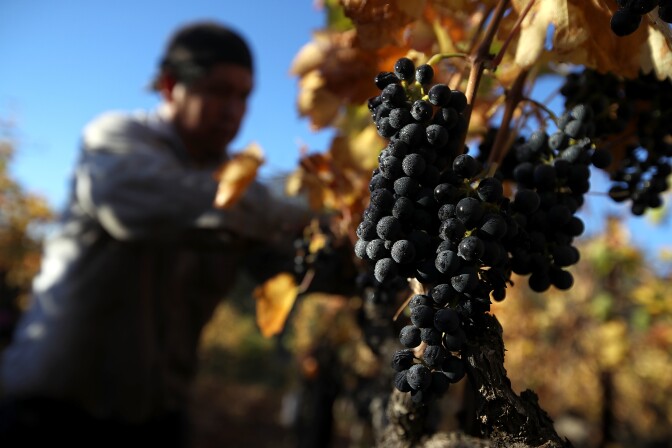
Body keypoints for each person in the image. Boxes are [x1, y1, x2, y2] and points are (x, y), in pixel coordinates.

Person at [0, 20, 311, 447]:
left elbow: (299, 256)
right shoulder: (116, 140)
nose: (233, 109)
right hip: (51, 415)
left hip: (156, 420)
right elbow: (154, 204)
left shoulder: (243, 190)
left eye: (244, 96)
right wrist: (300, 211)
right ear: (169, 85)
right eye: (218, 90)